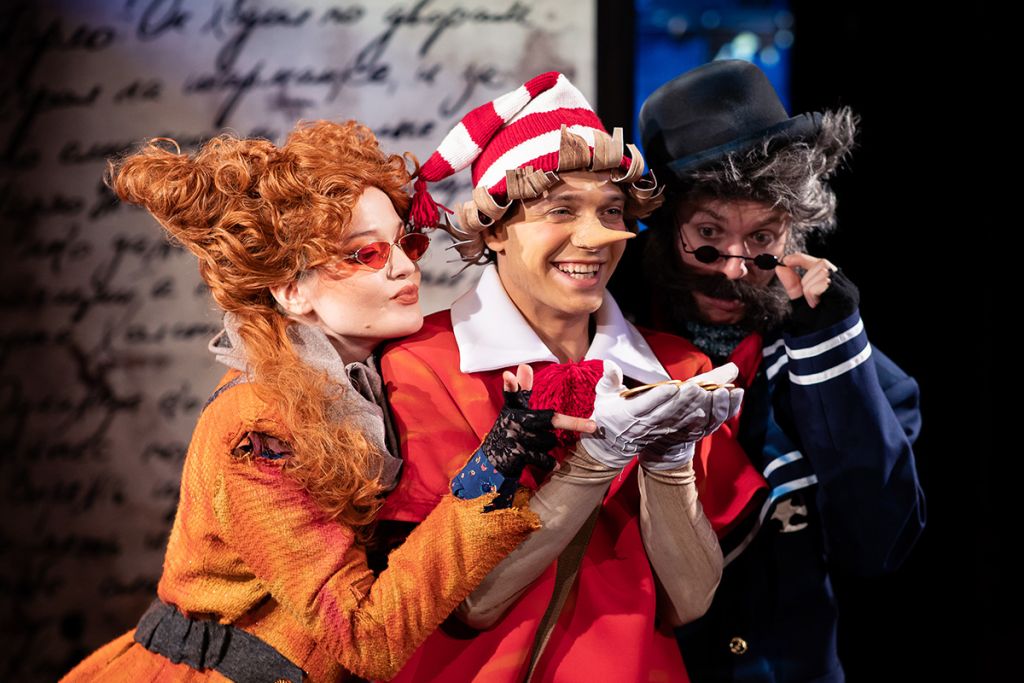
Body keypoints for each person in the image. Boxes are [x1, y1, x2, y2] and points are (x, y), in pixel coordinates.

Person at [61, 120, 551, 683]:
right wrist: (490, 473)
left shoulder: (376, 377)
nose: (405, 266)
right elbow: (365, 636)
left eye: (406, 242)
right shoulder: (256, 429)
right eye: (367, 254)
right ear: (292, 290)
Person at [374, 71, 763, 682]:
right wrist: (596, 461)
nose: (596, 237)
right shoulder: (423, 365)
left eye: (611, 210)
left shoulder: (680, 371)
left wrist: (669, 464)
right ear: (494, 228)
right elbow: (467, 604)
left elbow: (689, 602)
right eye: (561, 209)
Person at [610, 59, 925, 682]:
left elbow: (877, 545)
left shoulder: (853, 368)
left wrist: (831, 350)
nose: (735, 266)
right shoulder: (603, 349)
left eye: (763, 238)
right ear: (664, 229)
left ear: (795, 233)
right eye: (708, 234)